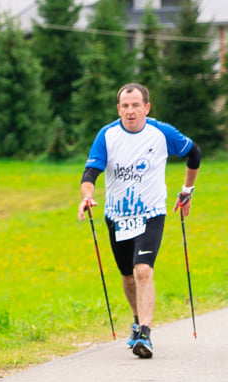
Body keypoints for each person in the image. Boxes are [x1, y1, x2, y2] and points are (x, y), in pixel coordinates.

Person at [78, 83, 200, 358]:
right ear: (118, 108)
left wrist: (187, 191)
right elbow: (90, 174)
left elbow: (195, 154)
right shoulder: (107, 135)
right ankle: (136, 320)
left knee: (142, 270)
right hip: (117, 217)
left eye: (135, 105)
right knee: (128, 277)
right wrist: (87, 197)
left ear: (147, 107)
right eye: (125, 106)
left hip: (151, 214)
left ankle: (145, 331)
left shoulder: (162, 133)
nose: (130, 111)